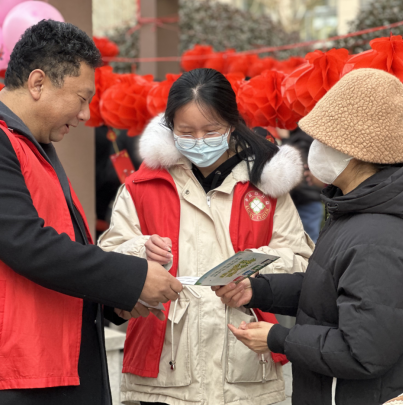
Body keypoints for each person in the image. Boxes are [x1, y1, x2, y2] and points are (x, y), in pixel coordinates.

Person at [0, 20, 182, 405]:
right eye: (82, 98)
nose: (86, 114)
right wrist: (132, 276)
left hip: (38, 360)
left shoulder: (27, 143)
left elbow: (58, 245)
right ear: (38, 83)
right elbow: (27, 244)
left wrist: (113, 298)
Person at [214, 68, 403, 405]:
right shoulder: (357, 215)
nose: (313, 150)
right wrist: (258, 289)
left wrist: (280, 338)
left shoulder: (379, 239)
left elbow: (363, 351)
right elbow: (330, 294)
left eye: (322, 141)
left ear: (352, 150)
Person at [98, 68, 314, 405]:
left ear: (231, 125)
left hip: (245, 368)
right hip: (163, 371)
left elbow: (301, 261)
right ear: (170, 128)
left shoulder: (265, 185)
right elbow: (107, 257)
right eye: (186, 131)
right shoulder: (143, 186)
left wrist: (254, 277)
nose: (199, 141)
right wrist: (141, 252)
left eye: (211, 131)